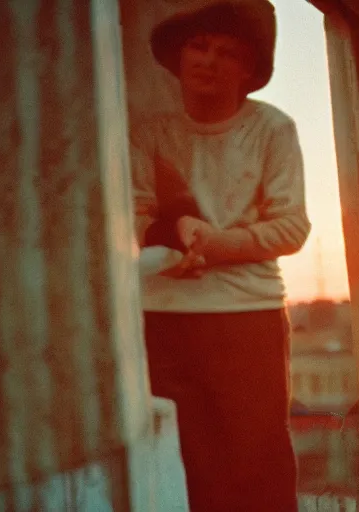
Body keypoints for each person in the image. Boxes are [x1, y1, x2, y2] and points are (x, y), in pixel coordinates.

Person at [130, 1, 311, 510]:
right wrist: (169, 232)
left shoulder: (271, 129)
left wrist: (211, 244)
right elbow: (134, 215)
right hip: (163, 318)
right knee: (186, 463)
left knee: (259, 462)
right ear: (178, 56)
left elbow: (292, 226)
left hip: (245, 316)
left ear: (249, 71)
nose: (208, 61)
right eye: (199, 46)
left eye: (228, 53)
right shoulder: (150, 133)